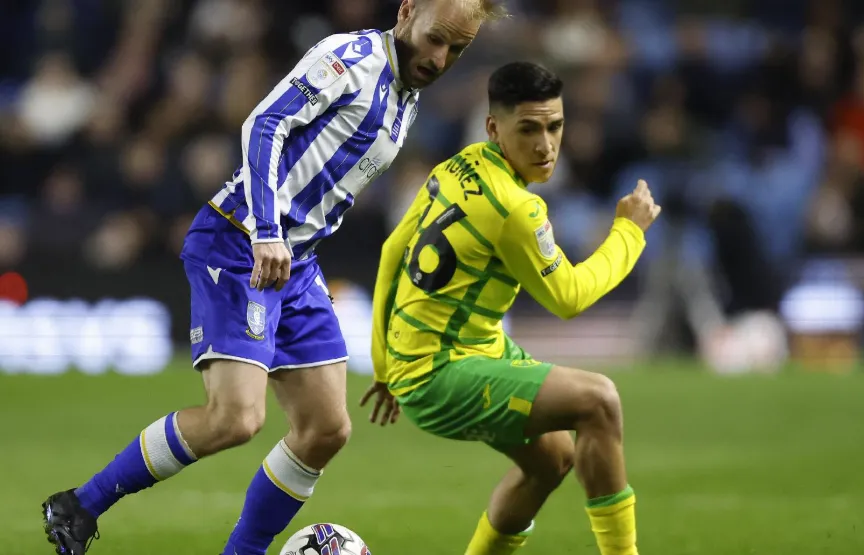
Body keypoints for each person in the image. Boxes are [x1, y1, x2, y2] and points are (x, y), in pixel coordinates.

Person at [41, 1, 506, 554]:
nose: (441, 57)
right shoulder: (349, 59)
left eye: (458, 49)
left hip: (296, 262)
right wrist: (267, 231)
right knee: (235, 418)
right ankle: (79, 505)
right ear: (407, 11)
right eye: (437, 38)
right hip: (241, 241)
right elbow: (265, 123)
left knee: (326, 428)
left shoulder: (406, 98)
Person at [360, 61, 661, 555]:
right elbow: (568, 297)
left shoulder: (458, 165)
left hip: (443, 356)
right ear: (494, 128)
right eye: (529, 129)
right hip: (442, 371)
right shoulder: (516, 209)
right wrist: (629, 231)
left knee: (553, 460)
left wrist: (384, 364)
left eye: (555, 126)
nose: (545, 145)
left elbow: (394, 248)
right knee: (599, 400)